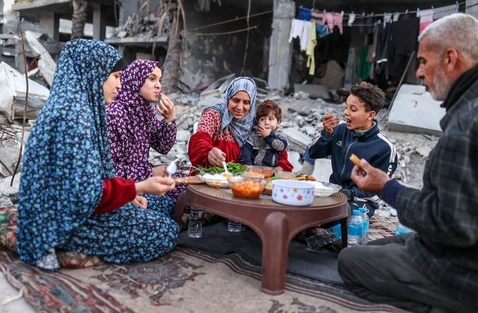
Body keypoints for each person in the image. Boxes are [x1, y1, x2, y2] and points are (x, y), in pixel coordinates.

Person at [338, 13, 478, 312]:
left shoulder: (471, 120)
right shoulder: (477, 105)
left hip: (466, 269)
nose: (419, 73)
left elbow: (454, 225)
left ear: (450, 58)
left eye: (422, 61)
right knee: (372, 248)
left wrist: (387, 188)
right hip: (458, 248)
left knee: (350, 262)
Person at [17, 39, 180, 271]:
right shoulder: (73, 120)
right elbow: (83, 195)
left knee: (161, 210)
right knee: (166, 231)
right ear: (93, 73)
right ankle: (61, 245)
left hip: (70, 207)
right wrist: (138, 187)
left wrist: (128, 194)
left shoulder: (76, 108)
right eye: (115, 76)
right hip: (60, 221)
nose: (120, 85)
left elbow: (89, 178)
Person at [306, 81, 397, 215]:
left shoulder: (384, 148)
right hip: (334, 193)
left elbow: (379, 190)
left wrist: (348, 194)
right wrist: (326, 134)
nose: (346, 113)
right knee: (304, 204)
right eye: (346, 107)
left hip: (360, 202)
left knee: (340, 214)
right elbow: (312, 153)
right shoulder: (339, 130)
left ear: (370, 115)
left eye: (353, 109)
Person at [106, 59, 184, 201]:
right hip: (125, 188)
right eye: (152, 79)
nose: (158, 86)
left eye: (159, 80)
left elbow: (163, 147)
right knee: (176, 201)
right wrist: (149, 172)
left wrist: (169, 119)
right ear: (136, 80)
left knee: (185, 187)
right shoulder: (115, 114)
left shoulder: (144, 110)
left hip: (143, 178)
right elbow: (108, 170)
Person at [188, 76, 293, 171]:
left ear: (251, 104)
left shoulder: (254, 124)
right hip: (209, 178)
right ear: (228, 98)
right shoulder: (213, 116)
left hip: (239, 182)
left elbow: (278, 149)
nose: (239, 107)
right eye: (236, 100)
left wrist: (281, 166)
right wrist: (208, 152)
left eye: (246, 102)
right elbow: (199, 141)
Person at [239, 99, 289, 169]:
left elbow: (281, 147)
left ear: (278, 123)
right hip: (254, 171)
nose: (266, 123)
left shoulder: (280, 135)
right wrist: (245, 164)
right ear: (257, 122)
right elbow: (246, 152)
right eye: (262, 119)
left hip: (272, 171)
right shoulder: (253, 136)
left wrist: (268, 136)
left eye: (270, 119)